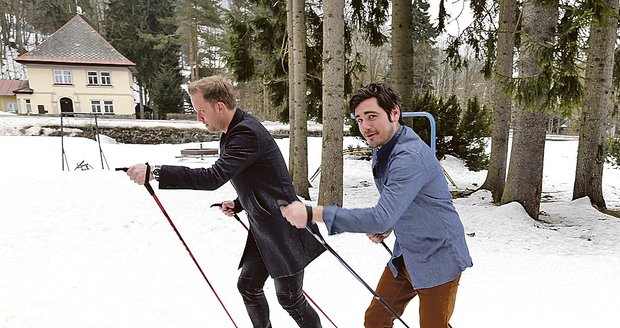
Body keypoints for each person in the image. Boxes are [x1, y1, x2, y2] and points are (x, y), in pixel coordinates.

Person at [125, 75, 325, 328]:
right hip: (265, 226)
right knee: (249, 286)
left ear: (219, 106)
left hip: (284, 225)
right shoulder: (235, 130)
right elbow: (260, 178)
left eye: (201, 111)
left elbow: (212, 178)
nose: (199, 118)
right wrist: (239, 202)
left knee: (289, 299)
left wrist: (156, 171)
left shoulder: (246, 133)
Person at [280, 82, 473, 328]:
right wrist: (390, 224)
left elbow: (381, 216)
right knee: (376, 320)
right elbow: (401, 201)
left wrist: (312, 213)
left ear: (394, 113)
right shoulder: (385, 146)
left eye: (371, 116)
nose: (365, 127)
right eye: (359, 119)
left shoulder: (408, 156)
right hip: (407, 255)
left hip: (439, 256)